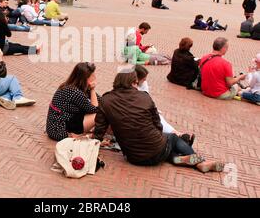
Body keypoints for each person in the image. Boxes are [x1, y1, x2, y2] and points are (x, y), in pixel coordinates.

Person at [94, 68, 224, 173]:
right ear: (133, 82)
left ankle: (177, 159)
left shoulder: (106, 100)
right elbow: (157, 124)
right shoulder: (144, 97)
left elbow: (99, 130)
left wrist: (92, 148)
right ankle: (201, 163)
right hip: (155, 149)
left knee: (163, 149)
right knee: (172, 138)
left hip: (133, 157)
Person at [136, 65, 195, 144]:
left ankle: (180, 136)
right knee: (180, 148)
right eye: (143, 79)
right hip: (157, 152)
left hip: (145, 150)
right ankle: (181, 139)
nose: (145, 80)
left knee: (161, 122)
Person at [46, 62, 99, 141]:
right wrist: (93, 89)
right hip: (59, 130)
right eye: (93, 76)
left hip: (63, 122)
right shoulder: (74, 92)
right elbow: (95, 108)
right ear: (85, 78)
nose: (95, 77)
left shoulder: (75, 86)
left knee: (106, 109)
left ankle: (101, 132)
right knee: (99, 115)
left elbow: (101, 100)